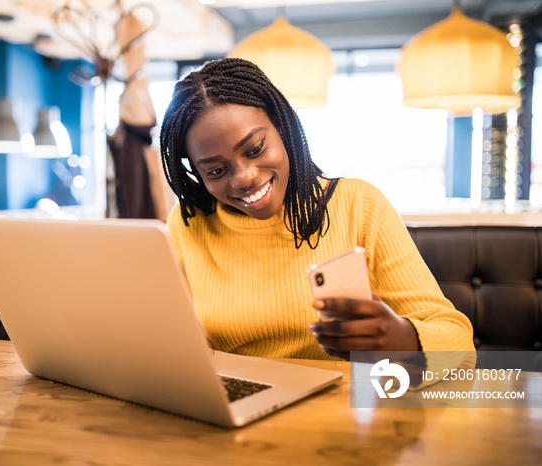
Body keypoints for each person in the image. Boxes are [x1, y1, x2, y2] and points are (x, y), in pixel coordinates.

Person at [159, 58, 474, 363]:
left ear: (282, 128)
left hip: (339, 410)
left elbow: (459, 345)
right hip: (237, 407)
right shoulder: (187, 224)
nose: (244, 177)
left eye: (255, 149)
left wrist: (404, 339)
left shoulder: (359, 206)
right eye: (215, 170)